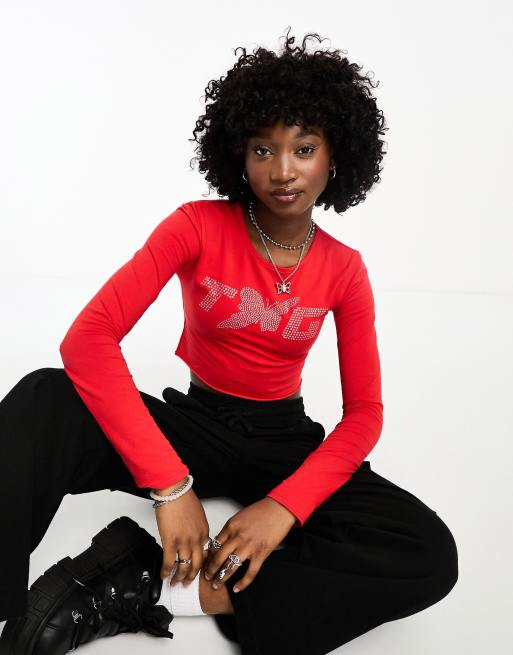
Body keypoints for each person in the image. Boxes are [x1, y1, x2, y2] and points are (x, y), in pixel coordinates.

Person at [0, 28, 458, 655]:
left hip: (283, 441)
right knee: (45, 398)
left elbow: (365, 415)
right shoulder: (196, 225)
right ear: (238, 154)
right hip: (194, 427)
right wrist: (171, 486)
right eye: (263, 149)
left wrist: (285, 506)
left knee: (427, 552)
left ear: (335, 157)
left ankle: (151, 586)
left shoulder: (346, 269)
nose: (283, 170)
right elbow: (88, 339)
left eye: (304, 148)